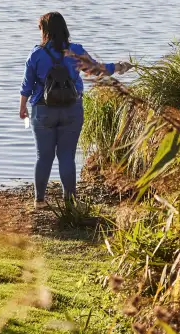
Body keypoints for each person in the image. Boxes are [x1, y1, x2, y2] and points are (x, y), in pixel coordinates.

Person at [19, 11, 131, 208]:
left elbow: (27, 85)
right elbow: (96, 70)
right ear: (64, 29)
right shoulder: (75, 51)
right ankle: (70, 201)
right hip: (72, 109)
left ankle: (39, 201)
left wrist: (22, 108)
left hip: (43, 110)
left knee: (43, 156)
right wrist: (119, 66)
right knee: (67, 156)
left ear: (44, 31)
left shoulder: (36, 54)